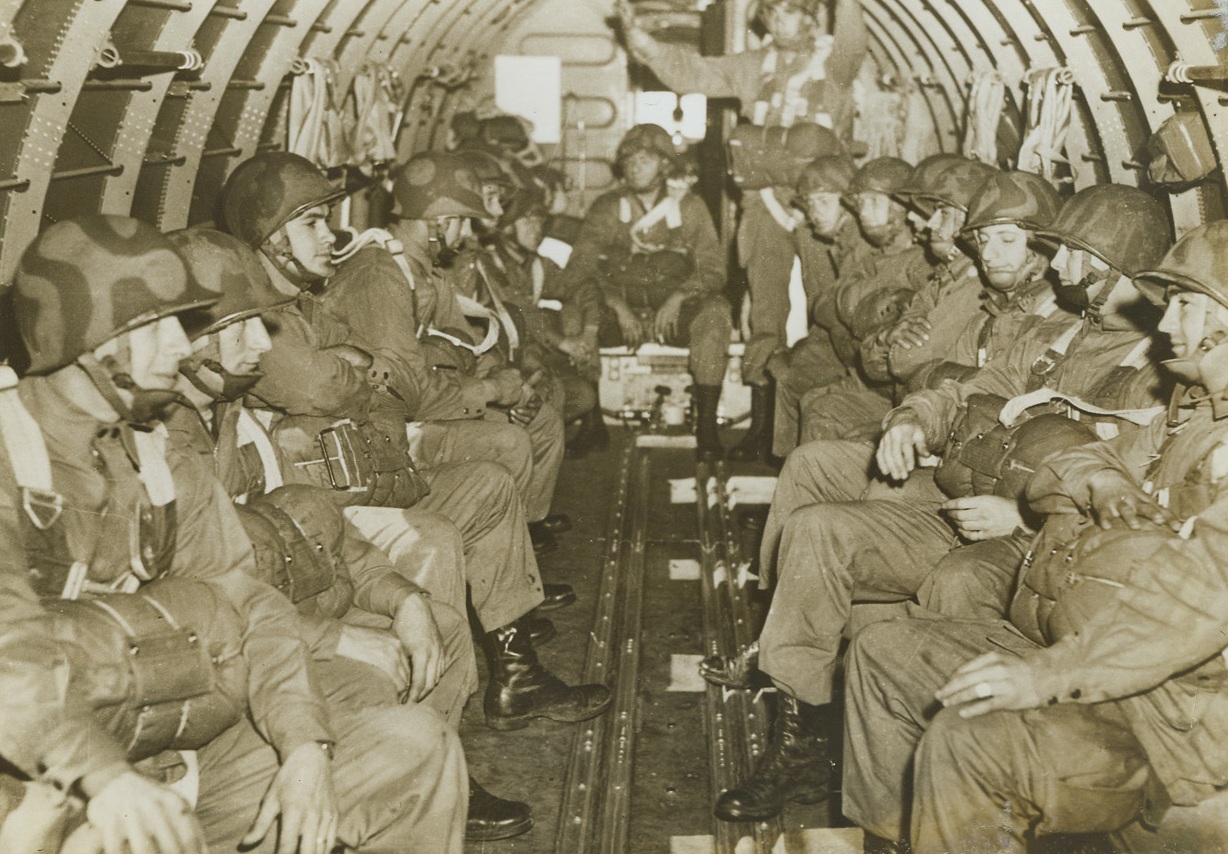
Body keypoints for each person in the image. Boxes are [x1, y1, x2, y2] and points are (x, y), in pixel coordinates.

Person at [711, 182, 1171, 826]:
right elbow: (968, 390)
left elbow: (1134, 497)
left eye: (1075, 254)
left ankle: (936, 780)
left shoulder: (1159, 373)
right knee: (817, 530)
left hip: (1036, 541)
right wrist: (911, 420)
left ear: (1119, 266)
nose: (1059, 266)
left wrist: (1025, 518)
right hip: (968, 502)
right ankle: (807, 729)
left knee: (955, 585)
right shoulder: (1060, 335)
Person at [3, 214, 466, 852]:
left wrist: (304, 746)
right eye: (156, 326)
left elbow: (250, 603)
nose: (179, 346)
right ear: (87, 340)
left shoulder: (155, 454)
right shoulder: (10, 456)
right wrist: (102, 777)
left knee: (413, 747)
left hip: (161, 746)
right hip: (43, 777)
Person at [843, 220, 1228, 853]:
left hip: (1171, 719)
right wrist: (1101, 480)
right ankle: (898, 840)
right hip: (1093, 654)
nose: (1164, 324)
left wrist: (1047, 675)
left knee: (971, 739)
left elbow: (1193, 604)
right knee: (885, 651)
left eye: (1184, 305)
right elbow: (1061, 460)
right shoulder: (1188, 415)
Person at [163, 226, 536, 840]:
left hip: (270, 617)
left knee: (436, 624)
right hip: (214, 676)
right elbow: (210, 607)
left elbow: (316, 522)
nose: (261, 343)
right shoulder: (162, 451)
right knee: (381, 679)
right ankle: (391, 788)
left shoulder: (229, 415)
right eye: (240, 327)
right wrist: (336, 639)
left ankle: (428, 779)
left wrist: (402, 596)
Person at [217, 154, 611, 728]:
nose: (330, 236)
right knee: (438, 534)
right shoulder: (258, 317)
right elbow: (326, 384)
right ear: (271, 238)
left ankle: (517, 675)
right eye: (312, 224)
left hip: (365, 466)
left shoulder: (304, 303)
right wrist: (357, 372)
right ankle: (431, 722)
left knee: (489, 485)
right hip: (324, 499)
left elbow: (378, 376)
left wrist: (354, 369)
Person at [618, 0, 869, 455]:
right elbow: (696, 73)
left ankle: (830, 415)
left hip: (824, 206)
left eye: (788, 11)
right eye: (771, 13)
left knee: (831, 305)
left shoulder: (835, 61)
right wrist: (646, 46)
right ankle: (763, 425)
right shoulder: (754, 66)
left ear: (812, 17)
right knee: (764, 314)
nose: (777, 21)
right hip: (766, 201)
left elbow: (852, 34)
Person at [562, 124, 733, 459]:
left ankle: (707, 429)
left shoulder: (689, 207)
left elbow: (713, 269)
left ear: (665, 165)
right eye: (629, 160)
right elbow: (579, 269)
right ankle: (593, 421)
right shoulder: (608, 207)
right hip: (619, 315)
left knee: (715, 314)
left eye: (644, 160)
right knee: (573, 311)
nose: (634, 167)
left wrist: (679, 297)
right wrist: (615, 303)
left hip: (672, 315)